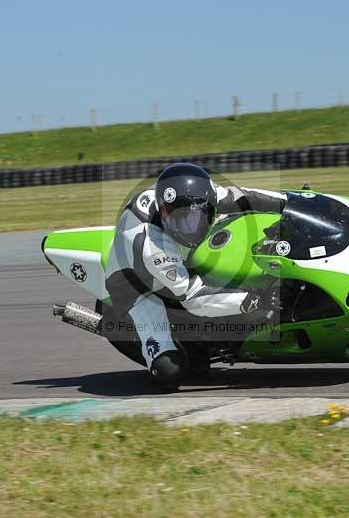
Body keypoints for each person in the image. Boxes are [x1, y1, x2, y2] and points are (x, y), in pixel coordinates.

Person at [103, 162, 286, 389]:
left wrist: (291, 201)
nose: (187, 228)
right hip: (139, 290)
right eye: (177, 220)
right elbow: (194, 298)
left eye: (195, 218)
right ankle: (158, 340)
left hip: (178, 268)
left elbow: (247, 197)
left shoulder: (201, 195)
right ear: (162, 211)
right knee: (169, 371)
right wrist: (256, 299)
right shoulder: (153, 246)